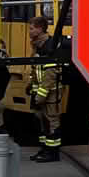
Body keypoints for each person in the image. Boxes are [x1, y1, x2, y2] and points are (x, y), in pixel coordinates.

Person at [28, 14, 68, 163]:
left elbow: (50, 74)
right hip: (40, 91)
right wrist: (31, 87)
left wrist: (40, 95)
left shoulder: (49, 46)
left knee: (52, 121)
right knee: (41, 120)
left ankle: (53, 153)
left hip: (50, 92)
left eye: (31, 29)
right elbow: (37, 69)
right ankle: (45, 149)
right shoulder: (38, 44)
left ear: (39, 29)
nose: (29, 32)